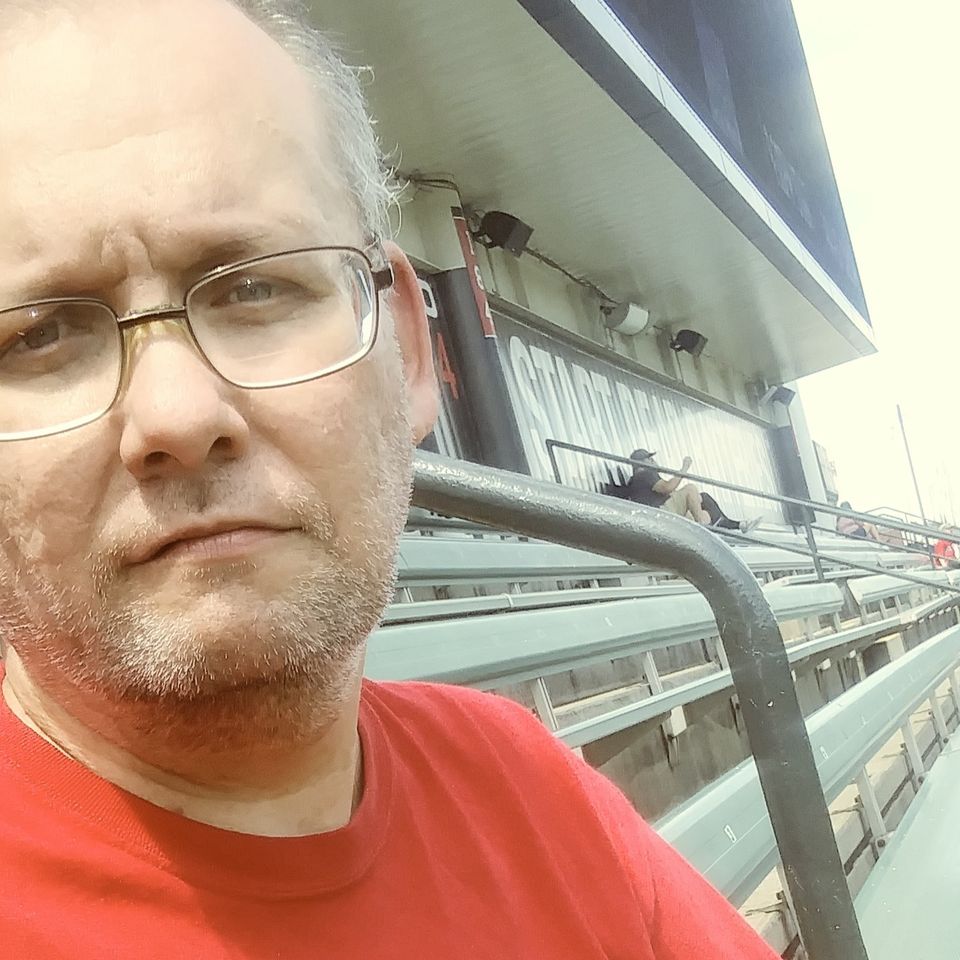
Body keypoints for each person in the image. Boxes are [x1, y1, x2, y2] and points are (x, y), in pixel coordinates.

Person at [0, 2, 778, 958]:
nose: (178, 415)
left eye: (256, 287)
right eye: (37, 337)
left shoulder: (525, 785)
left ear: (407, 347)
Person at [612, 449, 762, 534]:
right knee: (690, 489)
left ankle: (738, 525)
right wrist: (684, 468)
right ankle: (705, 529)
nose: (653, 462)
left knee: (704, 502)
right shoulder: (644, 474)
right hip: (660, 514)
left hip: (659, 516)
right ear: (641, 463)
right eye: (650, 459)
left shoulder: (636, 481)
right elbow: (667, 488)